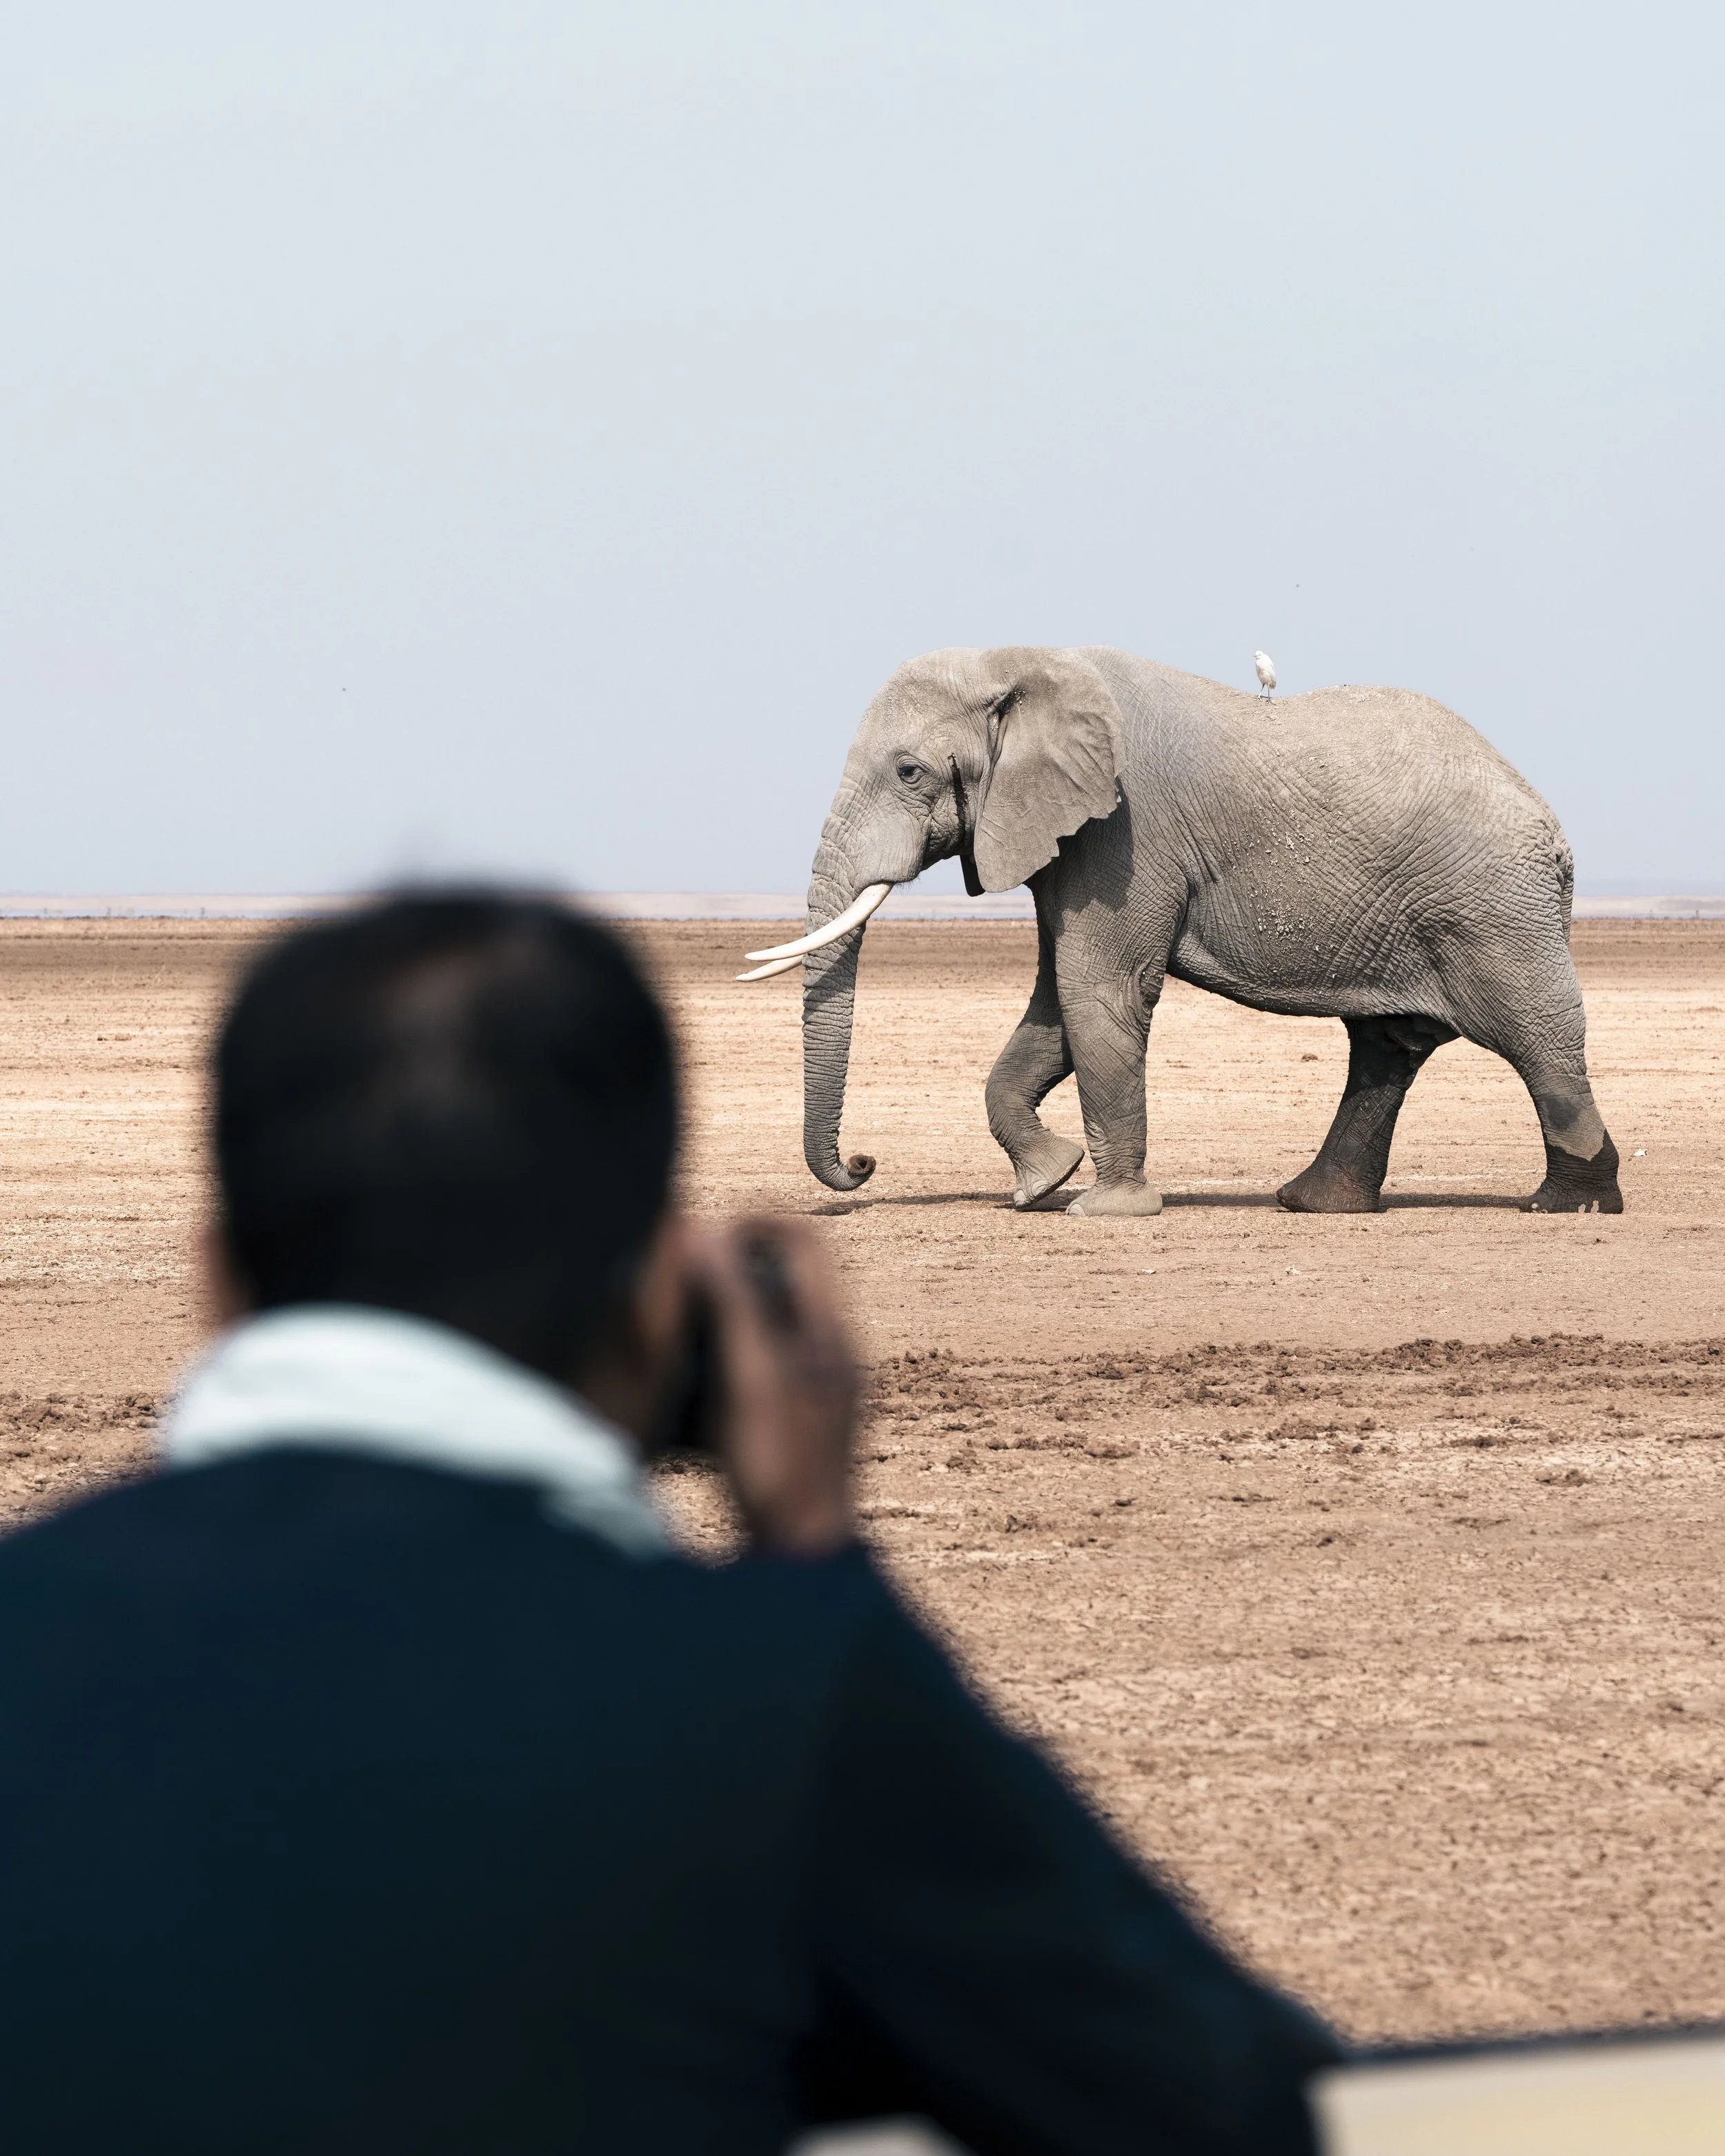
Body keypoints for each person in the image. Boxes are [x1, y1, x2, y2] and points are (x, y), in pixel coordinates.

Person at [0, 890, 1339, 2153]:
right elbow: (1223, 2109)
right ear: (666, 1296)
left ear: (219, 1279)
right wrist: (816, 1568)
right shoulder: (774, 1702)